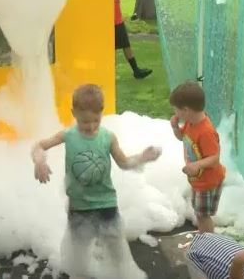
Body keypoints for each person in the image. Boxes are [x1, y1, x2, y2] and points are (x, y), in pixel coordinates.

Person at [31, 84, 161, 278]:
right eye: (85, 122)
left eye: (96, 120)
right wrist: (39, 160)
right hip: (79, 205)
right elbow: (39, 145)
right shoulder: (68, 135)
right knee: (78, 253)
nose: (91, 126)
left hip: (106, 202)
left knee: (117, 250)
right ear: (73, 113)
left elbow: (124, 163)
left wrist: (141, 157)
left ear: (102, 114)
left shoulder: (108, 138)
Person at [170, 81, 225, 233]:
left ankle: (208, 244)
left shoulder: (206, 131)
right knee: (200, 214)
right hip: (199, 180)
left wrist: (197, 165)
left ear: (186, 110)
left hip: (208, 181)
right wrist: (176, 128)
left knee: (203, 216)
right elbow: (183, 138)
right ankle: (205, 240)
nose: (175, 113)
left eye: (176, 109)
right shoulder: (190, 122)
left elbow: (214, 158)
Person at [114, 0, 152, 79]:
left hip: (118, 21)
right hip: (105, 23)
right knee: (108, 49)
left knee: (126, 45)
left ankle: (136, 71)